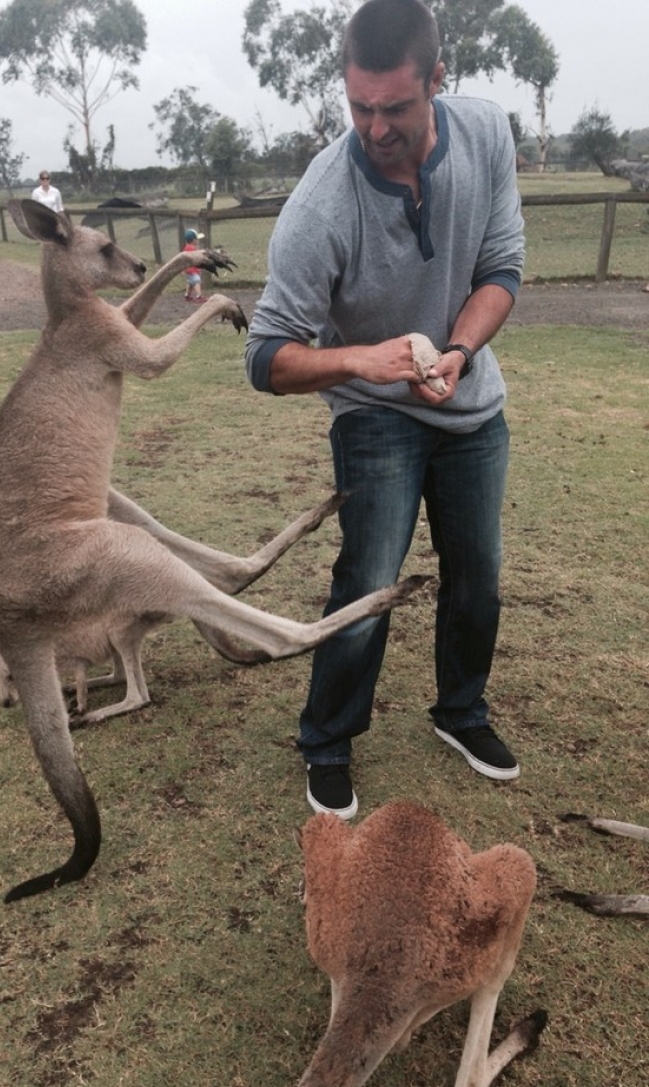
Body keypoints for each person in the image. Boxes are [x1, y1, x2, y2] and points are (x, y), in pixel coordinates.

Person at [245, 0, 525, 820]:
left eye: (394, 107)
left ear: (438, 80)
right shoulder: (319, 207)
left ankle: (460, 712)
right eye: (358, 106)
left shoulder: (486, 135)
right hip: (373, 413)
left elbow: (501, 269)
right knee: (367, 574)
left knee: (477, 573)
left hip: (467, 402)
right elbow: (264, 355)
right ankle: (327, 741)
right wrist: (361, 362)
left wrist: (457, 352)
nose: (373, 127)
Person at [183, 228, 208, 303]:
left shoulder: (187, 247)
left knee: (190, 282)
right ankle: (199, 296)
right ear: (193, 240)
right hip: (192, 270)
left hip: (188, 269)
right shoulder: (191, 248)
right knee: (197, 281)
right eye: (196, 239)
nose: (197, 241)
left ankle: (187, 295)